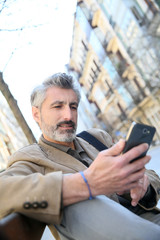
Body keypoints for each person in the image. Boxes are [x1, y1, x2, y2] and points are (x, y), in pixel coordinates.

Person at [0, 72, 160, 240]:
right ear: (36, 114)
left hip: (147, 219)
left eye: (73, 106)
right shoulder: (30, 158)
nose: (68, 116)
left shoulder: (96, 137)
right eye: (58, 106)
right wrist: (86, 183)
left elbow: (150, 175)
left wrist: (142, 184)